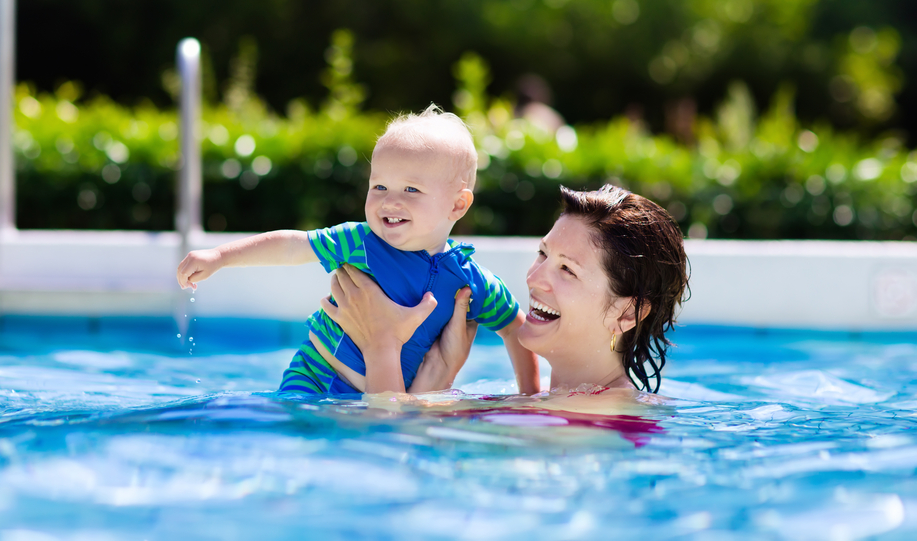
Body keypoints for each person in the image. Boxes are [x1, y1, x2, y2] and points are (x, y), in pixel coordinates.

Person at [176, 106, 540, 396]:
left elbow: (516, 330)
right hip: (315, 375)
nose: (389, 201)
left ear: (458, 206)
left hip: (376, 397)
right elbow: (291, 247)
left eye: (411, 190)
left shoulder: (470, 281)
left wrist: (530, 399)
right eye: (379, 186)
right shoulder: (360, 241)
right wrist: (220, 257)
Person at [320, 184, 689, 400]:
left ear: (628, 313)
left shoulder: (591, 423)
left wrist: (381, 344)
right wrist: (440, 374)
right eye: (543, 254)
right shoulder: (550, 406)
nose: (535, 277)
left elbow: (383, 453)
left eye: (567, 270)